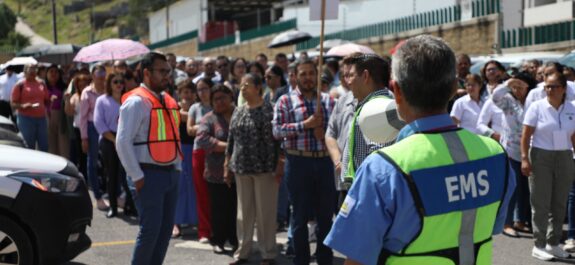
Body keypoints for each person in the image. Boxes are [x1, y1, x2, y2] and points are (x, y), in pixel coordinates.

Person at [324, 34, 516, 265]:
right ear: (456, 87)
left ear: (396, 91)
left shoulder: (383, 168)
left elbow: (356, 259)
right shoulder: (496, 155)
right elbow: (490, 228)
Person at [116, 52, 183, 265]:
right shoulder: (136, 102)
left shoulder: (167, 100)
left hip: (170, 174)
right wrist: (137, 176)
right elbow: (122, 142)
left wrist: (178, 168)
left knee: (164, 232)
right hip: (148, 175)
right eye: (161, 71)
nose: (166, 76)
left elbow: (173, 136)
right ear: (146, 73)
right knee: (150, 231)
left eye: (168, 71)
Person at [272, 59, 336, 265]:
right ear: (295, 76)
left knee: (325, 216)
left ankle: (325, 257)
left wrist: (323, 132)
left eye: (311, 73)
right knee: (299, 216)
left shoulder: (328, 100)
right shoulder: (285, 101)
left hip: (324, 162)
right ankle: (301, 259)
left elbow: (338, 131)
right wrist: (305, 125)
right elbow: (276, 131)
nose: (308, 78)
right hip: (298, 162)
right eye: (303, 74)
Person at [521, 72, 575, 261]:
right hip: (540, 156)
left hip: (565, 156)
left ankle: (553, 244)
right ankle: (539, 244)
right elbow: (526, 136)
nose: (549, 90)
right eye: (547, 86)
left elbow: (573, 135)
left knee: (559, 202)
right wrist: (524, 159)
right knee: (541, 203)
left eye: (553, 86)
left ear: (563, 89)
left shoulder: (571, 108)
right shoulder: (537, 107)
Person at [225, 74, 279, 265]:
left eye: (246, 85)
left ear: (258, 88)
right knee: (243, 214)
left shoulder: (269, 110)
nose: (243, 88)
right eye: (241, 85)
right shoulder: (238, 111)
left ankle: (268, 253)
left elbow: (277, 140)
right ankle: (243, 252)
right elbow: (231, 140)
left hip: (264, 168)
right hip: (241, 167)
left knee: (265, 214)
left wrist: (279, 163)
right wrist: (227, 164)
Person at [491, 72, 538, 238]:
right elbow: (495, 97)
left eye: (521, 87)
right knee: (512, 187)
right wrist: (509, 82)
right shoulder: (508, 102)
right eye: (515, 87)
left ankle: (521, 220)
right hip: (511, 150)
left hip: (532, 150)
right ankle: (506, 223)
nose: (518, 90)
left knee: (526, 189)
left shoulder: (535, 101)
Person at [196, 84, 238, 254]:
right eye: (216, 99)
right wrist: (229, 146)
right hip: (216, 173)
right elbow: (202, 139)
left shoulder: (239, 114)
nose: (220, 102)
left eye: (223, 97)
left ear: (231, 97)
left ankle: (236, 240)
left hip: (239, 172)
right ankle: (218, 240)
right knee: (219, 208)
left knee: (236, 208)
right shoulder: (209, 118)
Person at [94, 73, 135, 218]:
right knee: (112, 176)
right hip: (109, 141)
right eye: (115, 81)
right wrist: (114, 140)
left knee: (128, 175)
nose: (118, 84)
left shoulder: (128, 100)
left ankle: (130, 206)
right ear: (109, 84)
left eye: (121, 82)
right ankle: (113, 207)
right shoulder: (101, 100)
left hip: (126, 140)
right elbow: (99, 123)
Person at [187, 77, 214, 243]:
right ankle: (204, 231)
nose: (202, 92)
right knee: (201, 192)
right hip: (199, 151)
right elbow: (190, 130)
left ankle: (219, 229)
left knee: (218, 193)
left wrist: (201, 127)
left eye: (205, 88)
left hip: (216, 153)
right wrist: (206, 126)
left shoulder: (218, 105)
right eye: (199, 89)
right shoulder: (194, 108)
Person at [325, 59, 354, 209]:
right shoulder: (342, 101)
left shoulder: (383, 100)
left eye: (351, 74)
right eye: (344, 74)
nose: (347, 79)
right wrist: (337, 160)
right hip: (345, 180)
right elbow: (330, 134)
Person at [173, 79, 199, 238]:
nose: (187, 95)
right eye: (184, 92)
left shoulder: (197, 109)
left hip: (195, 150)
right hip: (178, 150)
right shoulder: (174, 107)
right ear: (179, 93)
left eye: (190, 92)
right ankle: (175, 222)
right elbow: (182, 117)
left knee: (193, 186)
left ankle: (193, 219)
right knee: (179, 186)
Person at [80, 64, 107, 211]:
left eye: (103, 73)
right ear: (93, 75)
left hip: (107, 128)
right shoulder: (87, 92)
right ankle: (97, 196)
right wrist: (84, 137)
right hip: (92, 128)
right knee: (92, 162)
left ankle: (112, 193)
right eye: (99, 73)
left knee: (108, 161)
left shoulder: (109, 89)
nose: (102, 76)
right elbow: (83, 118)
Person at [10, 64, 50, 152]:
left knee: (44, 145)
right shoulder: (20, 85)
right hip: (26, 118)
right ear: (25, 71)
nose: (32, 71)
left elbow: (46, 99)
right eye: (30, 69)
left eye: (34, 69)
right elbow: (13, 103)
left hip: (41, 118)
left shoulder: (41, 83)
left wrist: (51, 99)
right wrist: (23, 106)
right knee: (29, 146)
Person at [65, 68, 91, 180]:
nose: (83, 87)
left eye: (85, 85)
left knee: (89, 155)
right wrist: (67, 100)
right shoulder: (75, 97)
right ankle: (83, 177)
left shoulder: (91, 95)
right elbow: (69, 112)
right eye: (80, 85)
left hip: (90, 128)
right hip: (78, 129)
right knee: (80, 155)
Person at [45, 64, 70, 158]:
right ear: (46, 74)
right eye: (51, 71)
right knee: (50, 143)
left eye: (56, 72)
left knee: (63, 143)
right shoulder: (43, 87)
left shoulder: (64, 87)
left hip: (61, 116)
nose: (54, 74)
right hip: (47, 116)